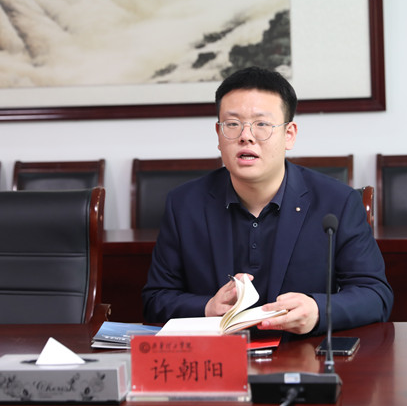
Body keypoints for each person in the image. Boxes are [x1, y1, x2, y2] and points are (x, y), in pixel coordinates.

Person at [142, 66, 393, 335]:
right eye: (232, 124)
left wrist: (319, 310)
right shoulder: (184, 204)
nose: (246, 136)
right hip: (219, 355)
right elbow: (155, 299)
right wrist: (206, 307)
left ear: (289, 134)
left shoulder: (337, 202)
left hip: (302, 354)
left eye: (262, 124)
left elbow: (376, 295)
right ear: (218, 134)